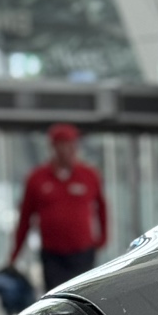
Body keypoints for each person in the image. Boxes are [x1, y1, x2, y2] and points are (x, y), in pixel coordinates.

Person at [9, 122, 107, 290]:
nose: (69, 150)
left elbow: (102, 207)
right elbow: (25, 218)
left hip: (82, 252)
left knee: (83, 295)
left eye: (72, 144)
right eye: (64, 144)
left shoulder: (89, 175)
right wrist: (15, 254)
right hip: (52, 255)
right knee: (56, 296)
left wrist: (102, 238)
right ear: (53, 147)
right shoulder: (37, 178)